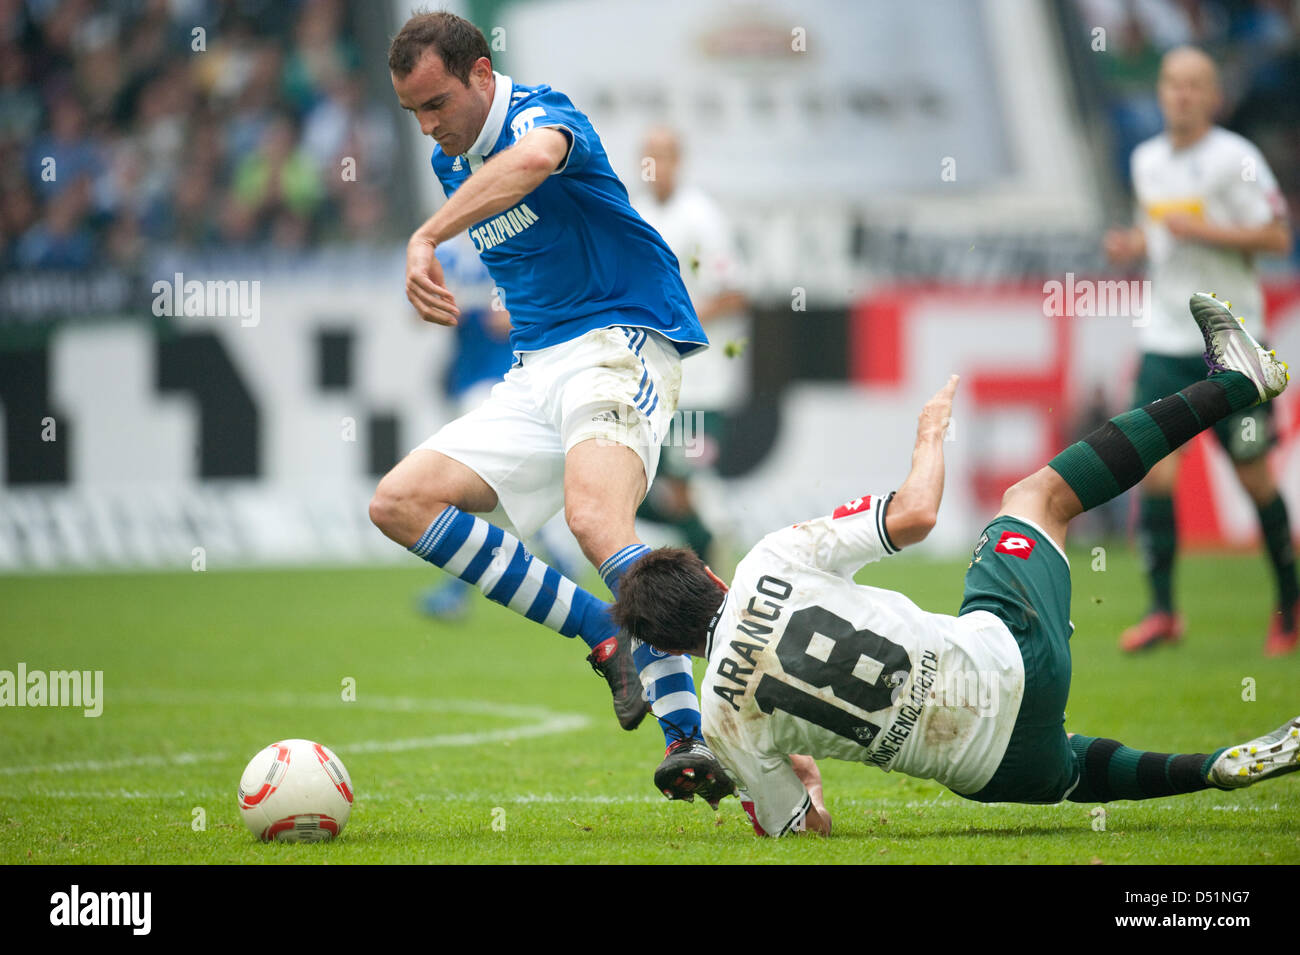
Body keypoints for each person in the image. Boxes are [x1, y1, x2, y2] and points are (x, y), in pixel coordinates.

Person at [613, 294, 1297, 835]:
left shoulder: (721, 721)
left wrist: (804, 778)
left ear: (673, 645)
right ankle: (1237, 382)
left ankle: (1214, 770)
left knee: (1072, 768)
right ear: (711, 576)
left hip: (993, 769)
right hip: (1012, 660)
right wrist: (929, 436)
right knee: (1037, 497)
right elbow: (915, 515)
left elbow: (806, 828)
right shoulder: (770, 558)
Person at [367, 11, 731, 804]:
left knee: (596, 520)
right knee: (399, 502)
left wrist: (425, 238)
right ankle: (603, 629)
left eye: (437, 104)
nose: (430, 127)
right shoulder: (450, 158)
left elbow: (535, 161)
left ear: (481, 75)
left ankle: (722, 708)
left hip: (621, 340)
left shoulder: (542, 115)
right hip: (537, 370)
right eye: (414, 114)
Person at [1104, 45, 1296, 656]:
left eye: (1194, 85)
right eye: (1172, 84)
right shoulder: (1146, 159)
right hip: (1165, 342)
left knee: (1253, 473)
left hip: (1231, 345)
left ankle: (1288, 608)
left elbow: (1277, 236)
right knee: (1154, 471)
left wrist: (1203, 229)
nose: (1181, 94)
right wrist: (1132, 241)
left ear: (1213, 96)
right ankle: (1163, 612)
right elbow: (1159, 234)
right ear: (1160, 92)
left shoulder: (1236, 160)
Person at [631, 125, 750, 563]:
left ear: (678, 162)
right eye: (647, 155)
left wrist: (675, 324)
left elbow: (734, 293)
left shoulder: (702, 216)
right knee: (635, 487)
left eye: (662, 155)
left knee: (678, 487)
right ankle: (710, 540)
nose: (653, 166)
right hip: (647, 386)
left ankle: (707, 571)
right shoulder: (634, 214)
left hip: (698, 386)